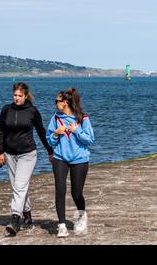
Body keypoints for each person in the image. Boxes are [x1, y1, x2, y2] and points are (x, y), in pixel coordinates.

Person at [0, 82, 54, 236]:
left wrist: (50, 150)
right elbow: (0, 130)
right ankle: (27, 215)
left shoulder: (32, 111)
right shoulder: (6, 110)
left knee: (19, 186)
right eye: (15, 95)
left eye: (20, 96)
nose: (17, 98)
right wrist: (0, 152)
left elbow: (42, 132)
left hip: (27, 154)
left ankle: (15, 220)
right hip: (9, 154)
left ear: (25, 95)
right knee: (18, 186)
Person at [46, 88, 95, 238]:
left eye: (57, 101)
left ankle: (82, 215)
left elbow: (90, 139)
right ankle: (61, 226)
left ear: (65, 103)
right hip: (60, 158)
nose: (55, 103)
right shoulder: (55, 118)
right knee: (60, 190)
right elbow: (49, 140)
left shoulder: (82, 118)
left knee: (76, 193)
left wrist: (77, 131)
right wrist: (55, 133)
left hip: (80, 159)